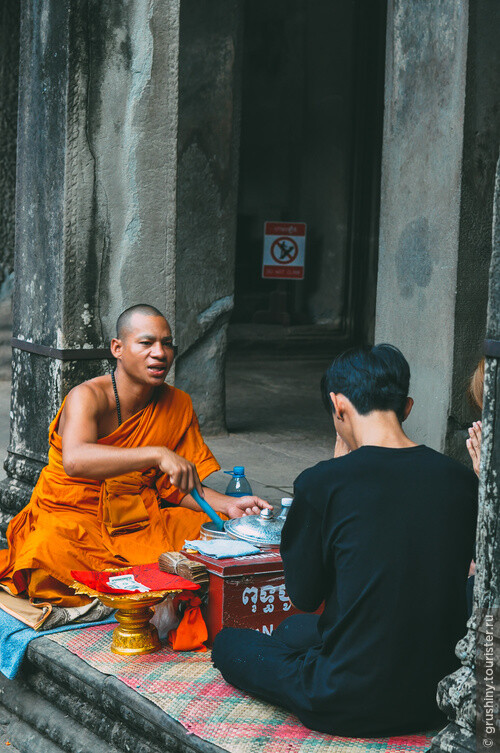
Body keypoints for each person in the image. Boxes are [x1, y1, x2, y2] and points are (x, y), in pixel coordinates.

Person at [212, 344, 477, 736]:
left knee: (230, 644)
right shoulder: (460, 479)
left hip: (343, 700)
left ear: (338, 405)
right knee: (290, 631)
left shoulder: (324, 481)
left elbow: (305, 595)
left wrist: (333, 475)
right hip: (434, 696)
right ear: (406, 407)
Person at [0, 304, 270, 607]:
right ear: (118, 348)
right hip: (74, 516)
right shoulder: (87, 397)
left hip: (139, 517)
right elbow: (75, 461)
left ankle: (133, 591)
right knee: (46, 550)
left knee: (213, 534)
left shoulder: (177, 403)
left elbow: (174, 488)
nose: (160, 353)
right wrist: (155, 454)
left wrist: (230, 505)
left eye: (166, 343)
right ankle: (150, 592)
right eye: (146, 343)